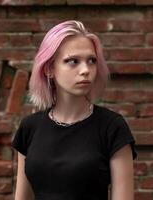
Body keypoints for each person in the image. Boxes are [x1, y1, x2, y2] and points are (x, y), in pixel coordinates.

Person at [11, 20, 137, 200]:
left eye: (91, 61)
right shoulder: (30, 128)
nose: (86, 70)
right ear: (49, 69)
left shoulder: (112, 127)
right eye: (72, 61)